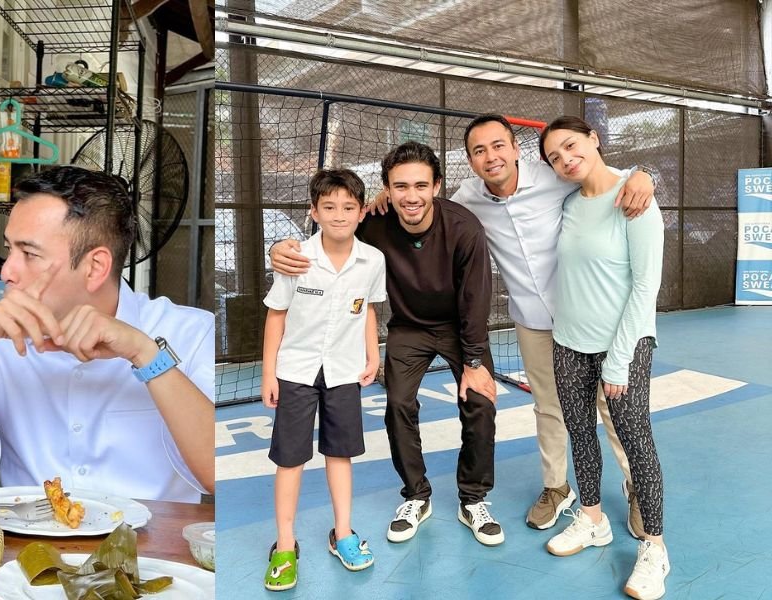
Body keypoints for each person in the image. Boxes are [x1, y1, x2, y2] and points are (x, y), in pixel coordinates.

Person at [364, 114, 655, 535]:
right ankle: (557, 488)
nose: (491, 156)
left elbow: (600, 171)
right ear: (469, 161)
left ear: (516, 148)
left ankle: (637, 489)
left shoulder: (555, 176)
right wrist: (385, 194)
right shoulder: (467, 197)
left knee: (612, 407)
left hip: (590, 312)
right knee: (549, 407)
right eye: (479, 151)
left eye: (498, 145)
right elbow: (415, 196)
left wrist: (643, 173)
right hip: (531, 321)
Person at [0, 166, 213, 504]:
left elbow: (215, 477)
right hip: (26, 547)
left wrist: (145, 355)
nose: (6, 271)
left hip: (154, 548)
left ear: (94, 267)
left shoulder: (189, 331)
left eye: (29, 254)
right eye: (9, 249)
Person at [273, 142, 503, 546]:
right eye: (400, 187)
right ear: (387, 190)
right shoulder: (373, 221)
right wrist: (280, 248)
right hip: (409, 328)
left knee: (480, 401)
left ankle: (474, 498)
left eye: (419, 186)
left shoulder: (464, 228)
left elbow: (476, 299)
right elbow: (331, 231)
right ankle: (416, 495)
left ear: (436, 187)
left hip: (460, 326)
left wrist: (473, 359)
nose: (410, 196)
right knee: (397, 403)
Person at [539, 116, 668, 600]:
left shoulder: (634, 198)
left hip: (625, 346)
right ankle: (591, 518)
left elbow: (644, 287)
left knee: (638, 443)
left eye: (571, 145)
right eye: (555, 156)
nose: (566, 158)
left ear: (593, 139)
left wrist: (618, 360)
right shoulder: (570, 204)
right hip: (569, 343)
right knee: (580, 433)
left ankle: (655, 547)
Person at [261, 169, 386, 590]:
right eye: (328, 207)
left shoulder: (373, 260)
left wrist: (374, 354)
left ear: (362, 211)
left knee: (341, 454)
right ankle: (284, 544)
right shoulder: (296, 257)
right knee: (290, 459)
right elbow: (276, 315)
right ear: (314, 212)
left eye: (348, 207)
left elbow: (368, 309)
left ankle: (343, 534)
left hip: (344, 372)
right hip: (295, 372)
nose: (339, 215)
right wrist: (268, 374)